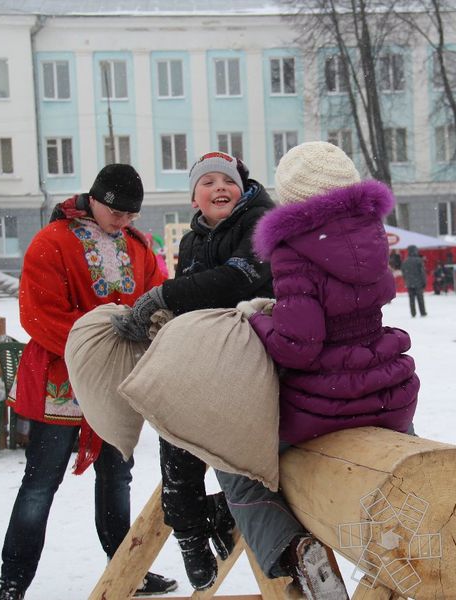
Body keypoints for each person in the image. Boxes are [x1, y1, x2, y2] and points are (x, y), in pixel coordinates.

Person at [228, 141, 420, 599]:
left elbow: (299, 346)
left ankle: (290, 549)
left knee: (233, 458)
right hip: (388, 397)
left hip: (322, 409)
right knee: (403, 457)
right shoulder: (371, 235)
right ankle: (410, 538)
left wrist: (257, 318)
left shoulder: (294, 250)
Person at [0, 164, 176, 600]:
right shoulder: (50, 242)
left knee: (117, 479)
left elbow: (155, 294)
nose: (125, 222)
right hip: (61, 382)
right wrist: (100, 341)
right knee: (40, 483)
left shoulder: (138, 247)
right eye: (118, 213)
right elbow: (38, 314)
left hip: (115, 384)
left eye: (132, 215)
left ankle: (127, 571)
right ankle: (13, 581)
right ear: (96, 199)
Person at [112, 151, 275, 591]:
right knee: (175, 449)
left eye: (228, 180)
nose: (219, 187)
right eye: (208, 182)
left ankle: (222, 513)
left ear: (243, 189)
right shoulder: (192, 240)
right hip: (205, 358)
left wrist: (162, 295)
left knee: (232, 460)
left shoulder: (261, 223)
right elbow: (191, 298)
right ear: (195, 196)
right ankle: (190, 533)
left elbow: (235, 279)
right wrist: (164, 315)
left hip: (251, 355)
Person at [401, 244, 427, 317]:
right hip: (418, 283)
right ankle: (422, 312)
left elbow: (403, 272)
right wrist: (424, 282)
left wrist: (406, 280)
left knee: (411, 299)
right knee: (420, 299)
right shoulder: (419, 260)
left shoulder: (405, 261)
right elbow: (422, 272)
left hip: (409, 283)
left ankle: (413, 313)